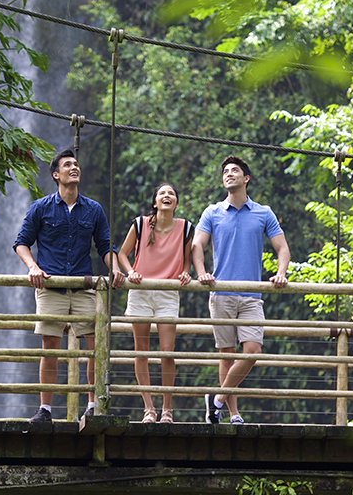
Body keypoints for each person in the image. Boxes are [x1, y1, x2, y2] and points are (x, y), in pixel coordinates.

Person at [14, 148, 124, 423]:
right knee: (50, 347)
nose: (74, 167)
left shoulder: (93, 209)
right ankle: (45, 410)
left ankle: (92, 405)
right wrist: (33, 267)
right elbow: (22, 243)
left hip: (84, 285)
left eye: (76, 164)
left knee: (94, 346)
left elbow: (105, 247)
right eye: (67, 165)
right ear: (56, 174)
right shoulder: (41, 207)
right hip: (51, 287)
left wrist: (117, 270)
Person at [192, 154, 290, 425]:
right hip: (221, 291)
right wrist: (201, 272)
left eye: (235, 170)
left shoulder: (263, 212)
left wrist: (280, 274)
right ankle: (232, 413)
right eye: (225, 171)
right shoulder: (212, 212)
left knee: (253, 351)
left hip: (251, 294)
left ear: (246, 178)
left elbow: (282, 248)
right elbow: (197, 246)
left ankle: (217, 400)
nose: (229, 174)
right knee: (227, 355)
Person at [116, 183, 194, 423]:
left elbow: (187, 261)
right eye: (162, 193)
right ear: (155, 202)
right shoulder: (140, 224)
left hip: (168, 292)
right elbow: (122, 254)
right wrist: (130, 272)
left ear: (176, 203)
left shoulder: (186, 228)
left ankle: (167, 409)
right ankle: (148, 408)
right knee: (141, 352)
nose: (167, 196)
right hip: (140, 290)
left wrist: (186, 273)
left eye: (171, 194)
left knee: (167, 353)